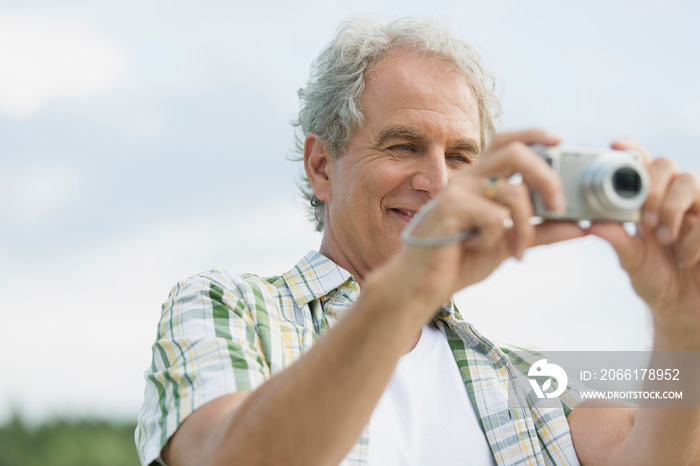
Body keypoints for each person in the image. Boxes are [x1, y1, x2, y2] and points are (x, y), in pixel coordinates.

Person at [136, 16, 700, 466]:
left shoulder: (526, 378)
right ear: (321, 166)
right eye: (403, 146)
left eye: (460, 157)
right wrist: (406, 287)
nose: (437, 183)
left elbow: (654, 453)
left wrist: (682, 324)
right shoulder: (225, 305)